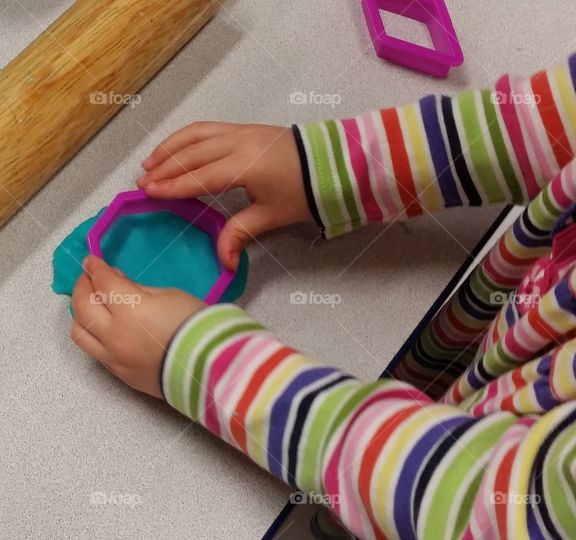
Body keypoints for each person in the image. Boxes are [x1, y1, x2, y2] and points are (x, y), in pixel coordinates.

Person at [70, 53, 576, 539]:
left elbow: (480, 508)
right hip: (509, 347)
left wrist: (203, 366)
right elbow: (544, 123)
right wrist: (332, 168)